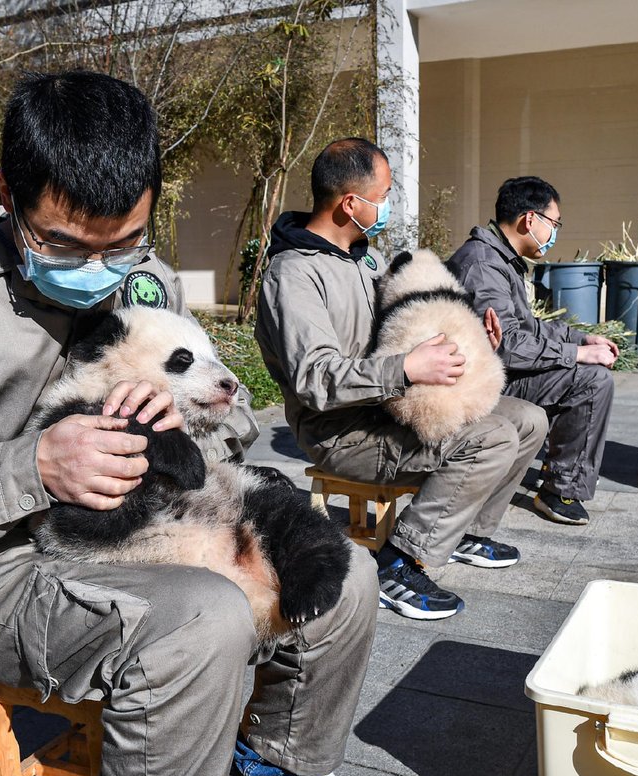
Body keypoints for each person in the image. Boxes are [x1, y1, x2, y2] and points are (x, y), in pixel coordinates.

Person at [0, 71, 387, 776]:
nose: (98, 268)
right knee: (202, 617)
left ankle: (277, 766)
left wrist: (188, 420)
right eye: (63, 244)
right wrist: (32, 468)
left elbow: (234, 411)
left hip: (159, 518)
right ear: (8, 192)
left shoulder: (143, 280)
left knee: (348, 571)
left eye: (123, 242)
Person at [255, 138, 549, 622]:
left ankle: (465, 532)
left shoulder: (366, 260)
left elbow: (406, 330)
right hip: (345, 431)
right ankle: (398, 562)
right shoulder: (294, 276)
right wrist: (407, 368)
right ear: (351, 204)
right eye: (384, 194)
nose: (388, 205)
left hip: (396, 406)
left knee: (528, 419)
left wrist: (473, 340)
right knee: (492, 436)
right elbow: (314, 379)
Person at [448, 177, 616, 526]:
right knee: (591, 380)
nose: (554, 233)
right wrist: (576, 356)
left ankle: (558, 475)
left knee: (584, 371)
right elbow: (507, 345)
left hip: (494, 376)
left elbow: (527, 326)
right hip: (480, 385)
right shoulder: (483, 265)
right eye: (554, 223)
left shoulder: (499, 259)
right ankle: (560, 489)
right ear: (530, 219)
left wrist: (580, 339)